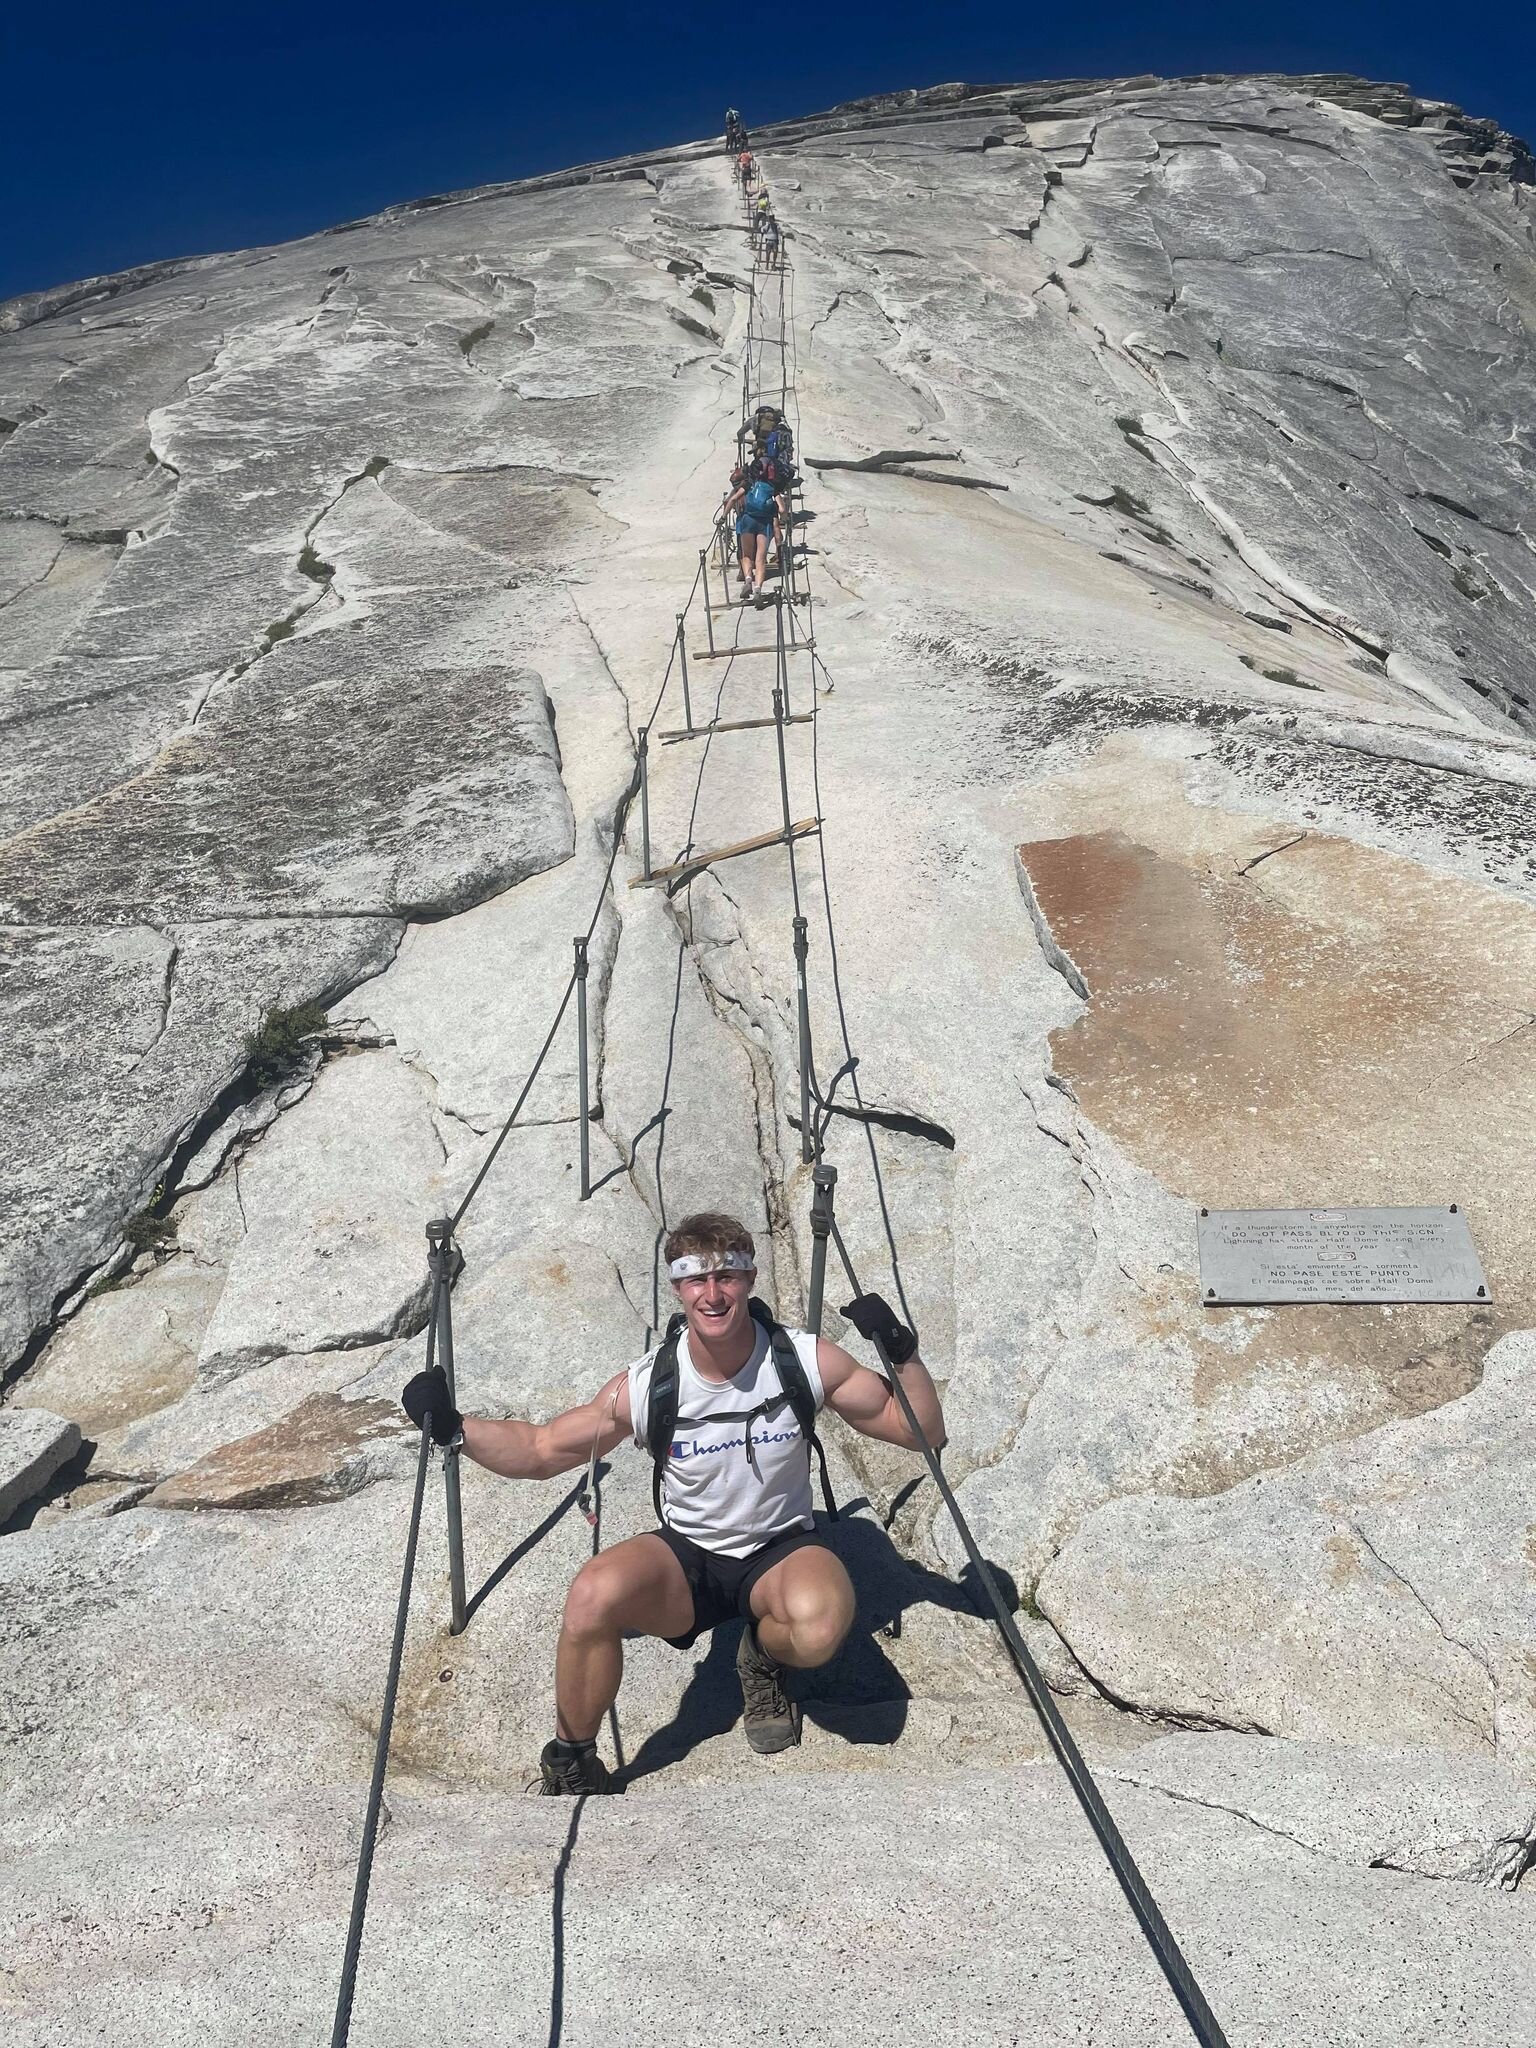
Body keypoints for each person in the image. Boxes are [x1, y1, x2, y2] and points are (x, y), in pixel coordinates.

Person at [402, 1212, 944, 1796]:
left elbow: (919, 1433)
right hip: (689, 1554)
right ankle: (573, 1757)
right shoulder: (648, 1383)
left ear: (750, 1279)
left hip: (782, 1549)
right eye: (696, 1280)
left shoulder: (804, 1360)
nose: (712, 1294)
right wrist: (454, 1428)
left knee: (818, 1628)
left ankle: (760, 1657)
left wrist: (901, 1350)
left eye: (727, 1277)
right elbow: (541, 1449)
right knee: (592, 1594)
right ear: (677, 1288)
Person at [726, 464, 778, 599]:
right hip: (763, 522)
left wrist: (722, 517)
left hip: (746, 521)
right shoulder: (771, 486)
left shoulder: (746, 486)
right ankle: (758, 589)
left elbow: (731, 500)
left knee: (746, 555)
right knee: (760, 558)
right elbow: (782, 509)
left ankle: (748, 578)